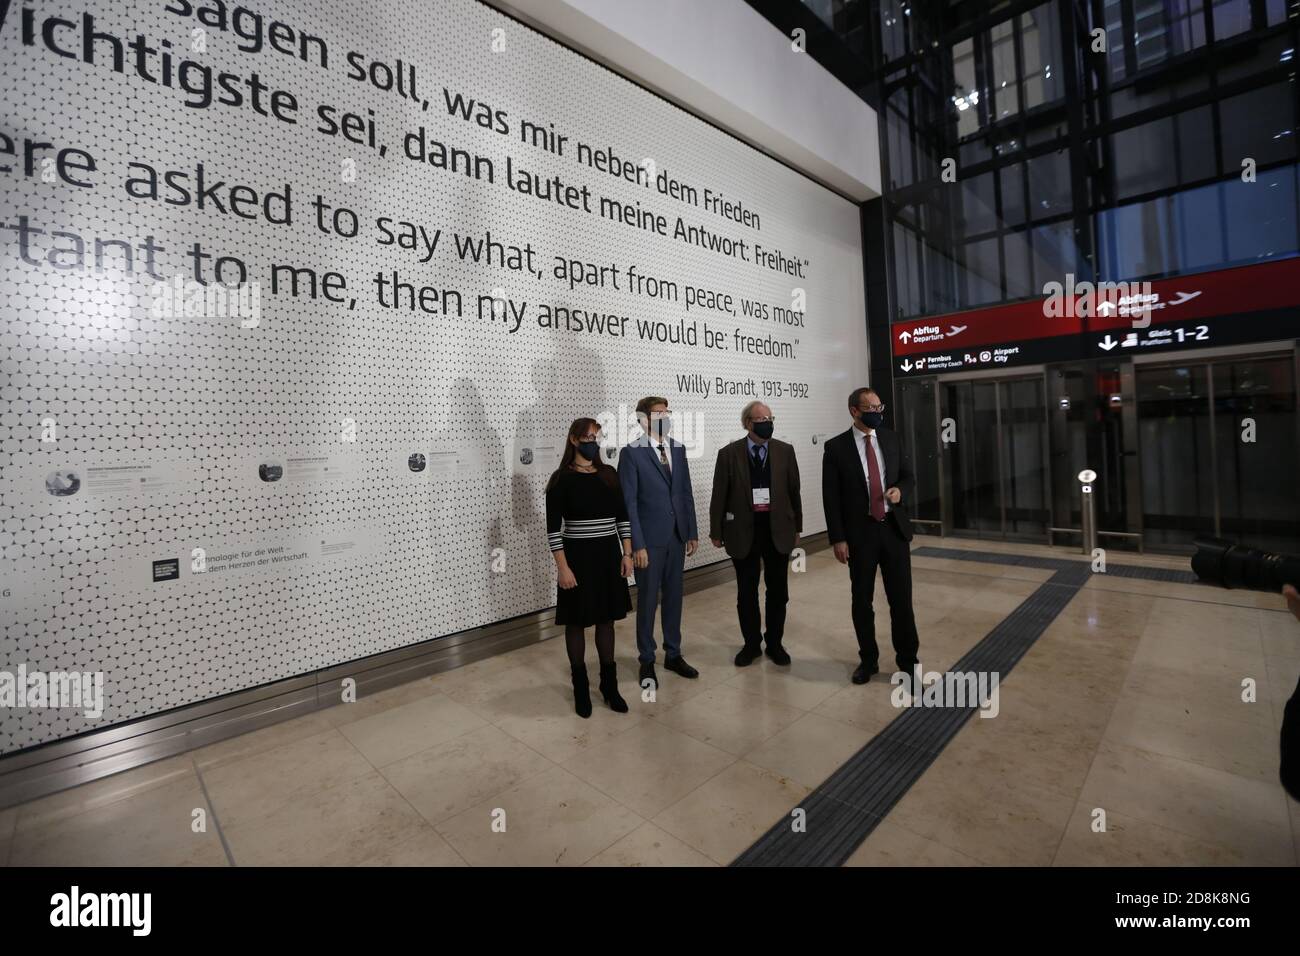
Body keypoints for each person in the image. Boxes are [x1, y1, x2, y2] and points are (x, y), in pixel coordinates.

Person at [822, 386, 921, 687]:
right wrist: (838, 538)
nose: (878, 413)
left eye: (880, 408)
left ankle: (907, 663)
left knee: (901, 601)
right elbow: (831, 497)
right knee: (862, 601)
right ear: (854, 410)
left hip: (893, 530)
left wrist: (901, 490)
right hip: (859, 535)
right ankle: (868, 660)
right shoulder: (836, 448)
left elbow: (908, 475)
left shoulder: (890, 438)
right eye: (871, 409)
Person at [546, 418, 634, 717]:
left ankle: (610, 687)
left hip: (608, 557)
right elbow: (553, 531)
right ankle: (581, 688)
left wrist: (627, 554)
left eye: (596, 436)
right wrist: (563, 568)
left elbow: (623, 518)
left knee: (607, 621)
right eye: (586, 436)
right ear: (573, 440)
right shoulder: (560, 480)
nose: (592, 441)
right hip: (577, 560)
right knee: (576, 623)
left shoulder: (609, 475)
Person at [709, 401, 802, 666]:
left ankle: (775, 643)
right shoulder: (728, 454)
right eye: (761, 418)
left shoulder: (785, 451)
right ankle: (751, 644)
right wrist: (716, 530)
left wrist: (798, 526)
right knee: (746, 592)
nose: (767, 422)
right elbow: (719, 496)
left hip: (778, 530)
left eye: (770, 417)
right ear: (747, 423)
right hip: (742, 532)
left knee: (778, 591)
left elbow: (794, 491)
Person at [619, 396, 699, 687]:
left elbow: (684, 492)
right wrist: (636, 544)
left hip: (677, 537)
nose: (665, 416)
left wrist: (691, 531)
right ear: (643, 419)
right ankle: (647, 659)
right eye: (658, 413)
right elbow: (629, 504)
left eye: (667, 411)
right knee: (648, 600)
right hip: (649, 542)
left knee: (675, 599)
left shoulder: (677, 449)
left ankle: (674, 653)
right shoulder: (632, 454)